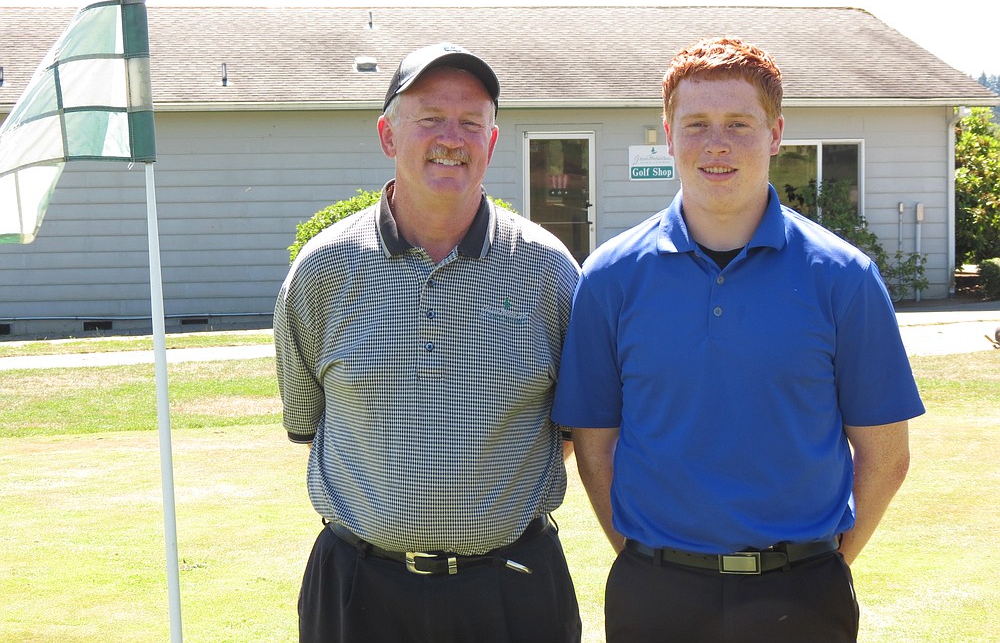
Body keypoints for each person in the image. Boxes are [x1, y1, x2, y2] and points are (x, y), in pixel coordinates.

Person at [552, 36, 924, 643]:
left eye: (739, 123)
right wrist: (648, 559)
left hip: (803, 594)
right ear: (667, 134)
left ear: (776, 134)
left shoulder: (844, 277)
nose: (717, 143)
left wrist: (820, 567)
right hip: (655, 594)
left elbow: (886, 456)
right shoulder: (610, 277)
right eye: (696, 123)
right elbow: (596, 448)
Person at [274, 42, 582, 643]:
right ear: (388, 135)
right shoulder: (322, 272)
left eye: (472, 123)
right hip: (360, 588)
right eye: (429, 119)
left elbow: (571, 427)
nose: (452, 137)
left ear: (492, 143)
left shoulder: (550, 273)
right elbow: (310, 420)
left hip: (514, 586)